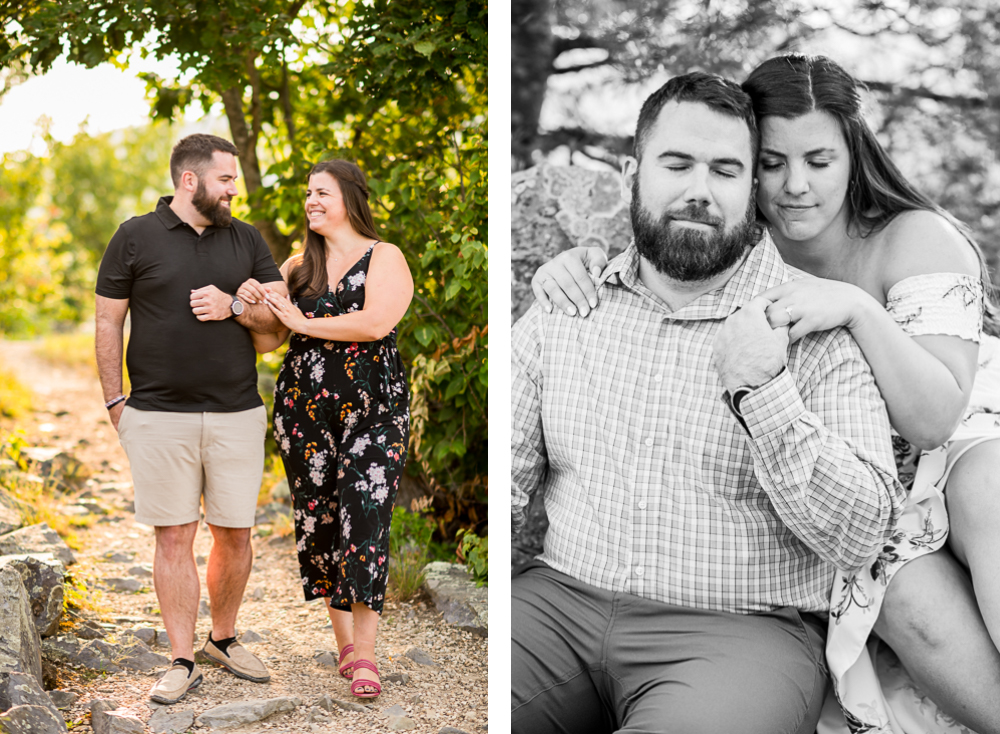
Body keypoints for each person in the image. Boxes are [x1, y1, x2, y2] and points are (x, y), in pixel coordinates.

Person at [531, 54, 1000, 734]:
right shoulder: (739, 238)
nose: (795, 186)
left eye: (819, 160)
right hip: (859, 468)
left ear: (853, 154)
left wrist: (855, 309)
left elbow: (935, 419)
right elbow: (648, 248)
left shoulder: (914, 237)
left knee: (988, 489)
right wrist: (569, 265)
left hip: (953, 430)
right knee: (900, 596)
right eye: (773, 163)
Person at [95, 133, 289, 704]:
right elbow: (108, 323)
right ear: (190, 180)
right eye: (225, 179)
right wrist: (115, 403)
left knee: (235, 533)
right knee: (174, 535)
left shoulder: (247, 240)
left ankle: (222, 640)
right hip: (156, 415)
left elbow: (276, 332)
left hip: (236, 413)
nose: (235, 189)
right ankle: (181, 658)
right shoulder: (134, 236)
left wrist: (237, 303)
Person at [239, 159, 412, 699]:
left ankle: (367, 655)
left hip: (375, 409)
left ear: (351, 197)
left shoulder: (384, 257)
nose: (311, 200)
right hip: (303, 410)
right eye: (307, 192)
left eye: (322, 192)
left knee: (365, 513)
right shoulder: (296, 266)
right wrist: (250, 308)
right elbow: (270, 341)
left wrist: (303, 323)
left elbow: (376, 322)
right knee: (320, 519)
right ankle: (343, 645)